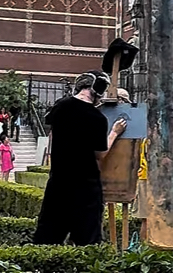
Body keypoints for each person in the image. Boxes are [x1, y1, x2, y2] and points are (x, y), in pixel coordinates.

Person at [34, 72, 126, 246]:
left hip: (58, 183)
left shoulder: (61, 106)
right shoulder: (97, 118)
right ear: (98, 89)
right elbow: (100, 154)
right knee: (87, 242)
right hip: (86, 187)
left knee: (47, 239)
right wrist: (114, 132)